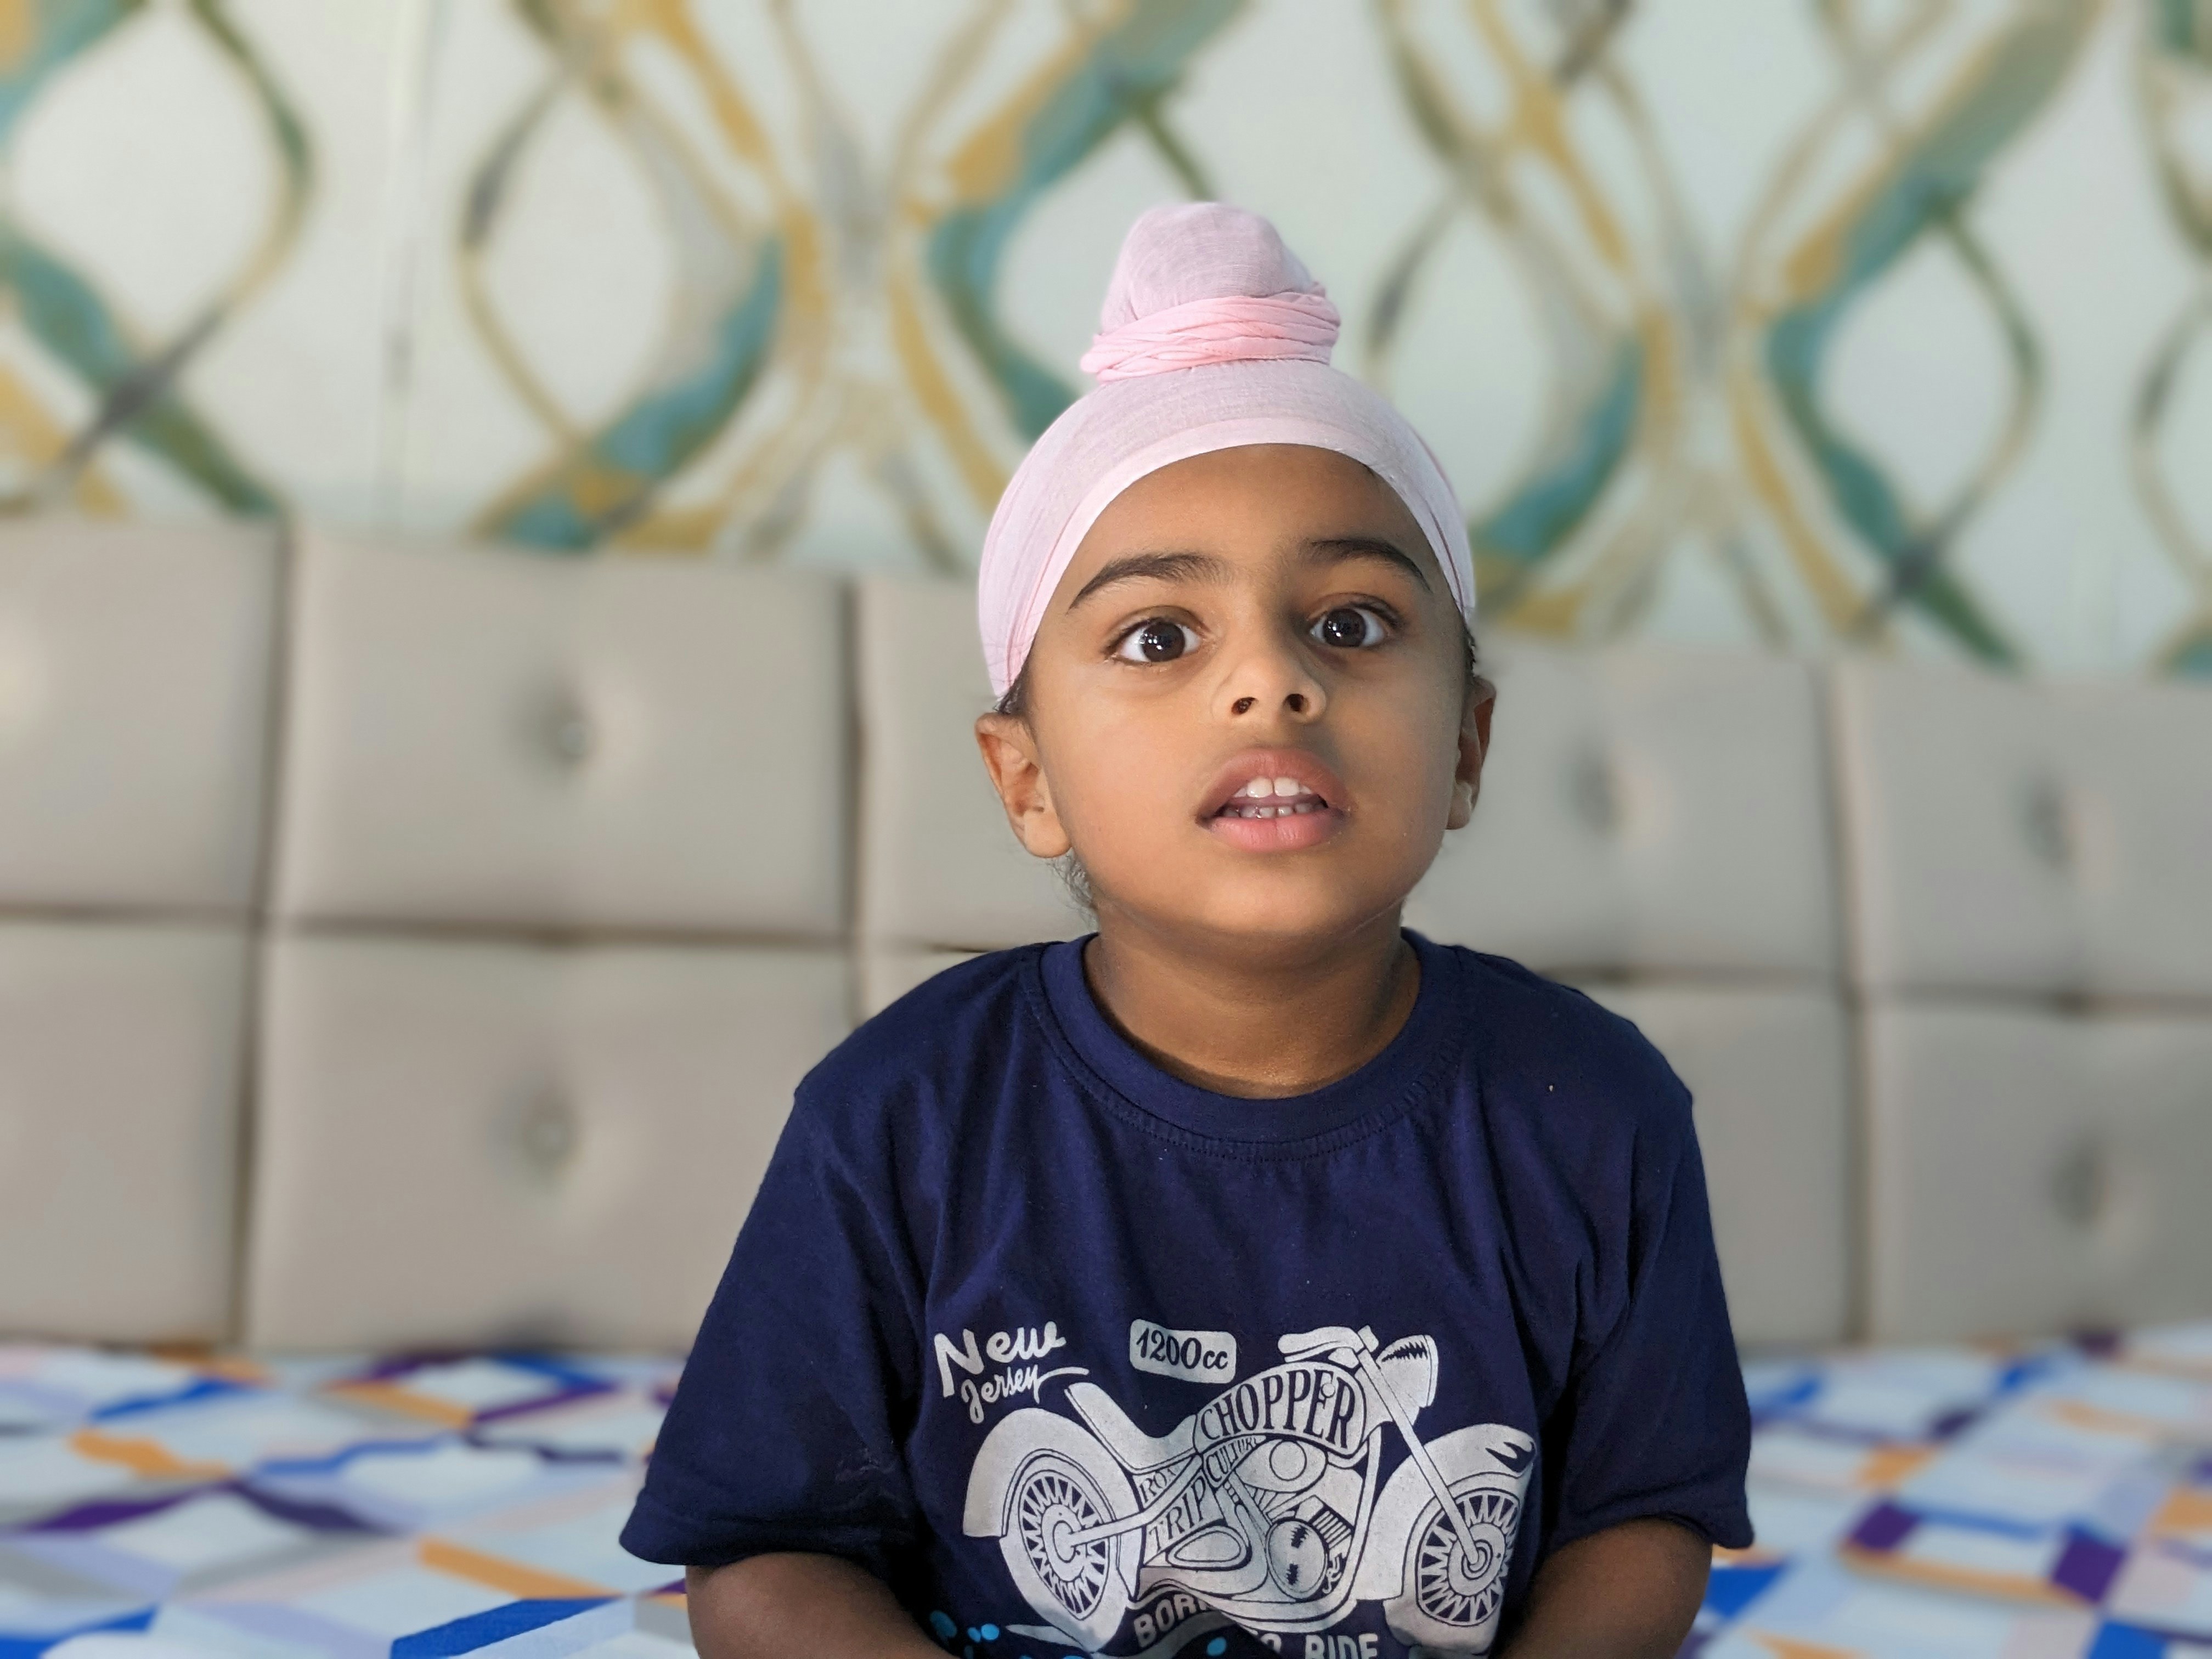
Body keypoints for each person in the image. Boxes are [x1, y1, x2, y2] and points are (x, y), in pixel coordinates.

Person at [622, 203, 1751, 1659]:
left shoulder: (1597, 1113)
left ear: (1467, 745)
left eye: (1349, 623)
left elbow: (1642, 1521)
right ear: (1028, 782)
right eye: (1161, 637)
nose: (1272, 682)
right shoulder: (896, 1120)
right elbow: (764, 1562)